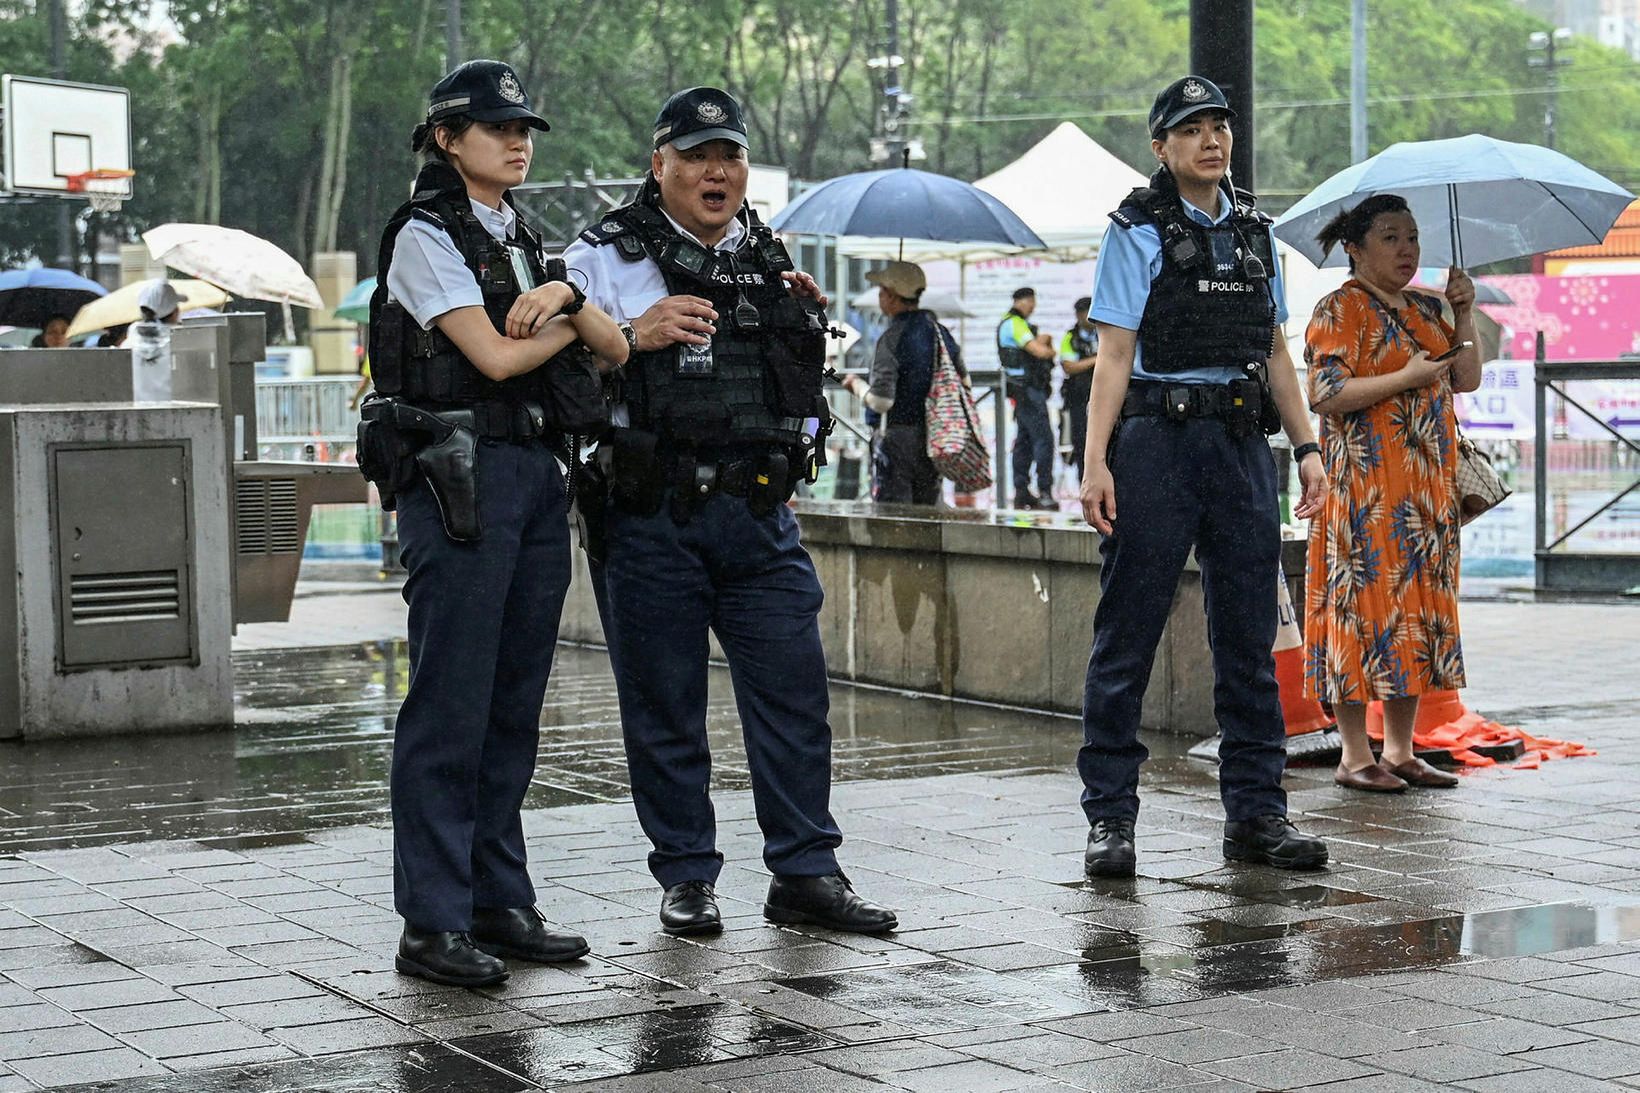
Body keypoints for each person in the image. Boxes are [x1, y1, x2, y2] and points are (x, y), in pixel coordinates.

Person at [564, 86, 896, 938]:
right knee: (665, 704)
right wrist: (630, 330)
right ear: (659, 165)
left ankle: (806, 873)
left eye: (732, 155)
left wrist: (802, 319)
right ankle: (686, 875)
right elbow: (556, 383)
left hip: (758, 515)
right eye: (698, 155)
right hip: (650, 513)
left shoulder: (772, 255)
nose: (718, 171)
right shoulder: (599, 260)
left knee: (793, 695)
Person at [364, 59, 628, 987]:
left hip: (532, 475)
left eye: (524, 129)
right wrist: (571, 314)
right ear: (447, 137)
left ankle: (497, 899)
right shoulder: (423, 235)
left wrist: (571, 298)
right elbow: (496, 356)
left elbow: (621, 347)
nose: (517, 141)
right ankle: (431, 921)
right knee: (450, 704)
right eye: (496, 127)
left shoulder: (523, 235)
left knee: (514, 700)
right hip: (455, 481)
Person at [1077, 75, 1331, 878]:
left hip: (1238, 445)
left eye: (1219, 125)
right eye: (1192, 129)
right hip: (1154, 444)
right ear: (1162, 147)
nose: (1211, 139)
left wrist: (1309, 449)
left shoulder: (1255, 233)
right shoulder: (1135, 229)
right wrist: (1095, 463)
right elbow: (1114, 356)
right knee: (1128, 636)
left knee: (1249, 639)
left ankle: (1257, 815)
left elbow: (1277, 354)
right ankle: (1111, 819)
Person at [1303, 195, 1482, 792]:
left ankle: (1401, 750)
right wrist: (1402, 379)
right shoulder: (1339, 309)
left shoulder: (1429, 309)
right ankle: (1356, 755)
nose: (1406, 249)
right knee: (1361, 615)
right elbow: (1323, 394)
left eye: (1412, 237)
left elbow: (1466, 377)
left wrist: (1465, 314)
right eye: (1389, 237)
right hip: (1364, 493)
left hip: (1428, 495)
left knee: (1416, 617)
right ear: (1354, 248)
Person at [841, 260, 966, 505]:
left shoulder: (891, 338)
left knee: (893, 516)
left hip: (897, 438)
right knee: (928, 510)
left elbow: (881, 401)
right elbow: (964, 381)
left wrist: (855, 386)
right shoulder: (942, 333)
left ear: (892, 296)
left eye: (882, 292)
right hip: (935, 437)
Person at [997, 287, 1058, 509]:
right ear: (1023, 301)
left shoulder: (1010, 322)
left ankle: (1021, 490)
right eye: (1031, 301)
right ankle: (1045, 491)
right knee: (1044, 439)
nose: (1033, 306)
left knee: (1023, 441)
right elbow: (1039, 351)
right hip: (1028, 391)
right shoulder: (1016, 323)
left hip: (1022, 391)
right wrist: (1050, 349)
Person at [1058, 296, 1098, 485]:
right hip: (1078, 398)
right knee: (1081, 443)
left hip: (1101, 396)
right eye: (1082, 314)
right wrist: (1096, 360)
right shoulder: (1071, 337)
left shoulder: (1104, 333)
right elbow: (1069, 366)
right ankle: (1085, 484)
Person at [126, 280, 182, 401]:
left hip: (137, 413)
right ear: (174, 313)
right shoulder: (182, 344)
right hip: (176, 413)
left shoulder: (130, 341)